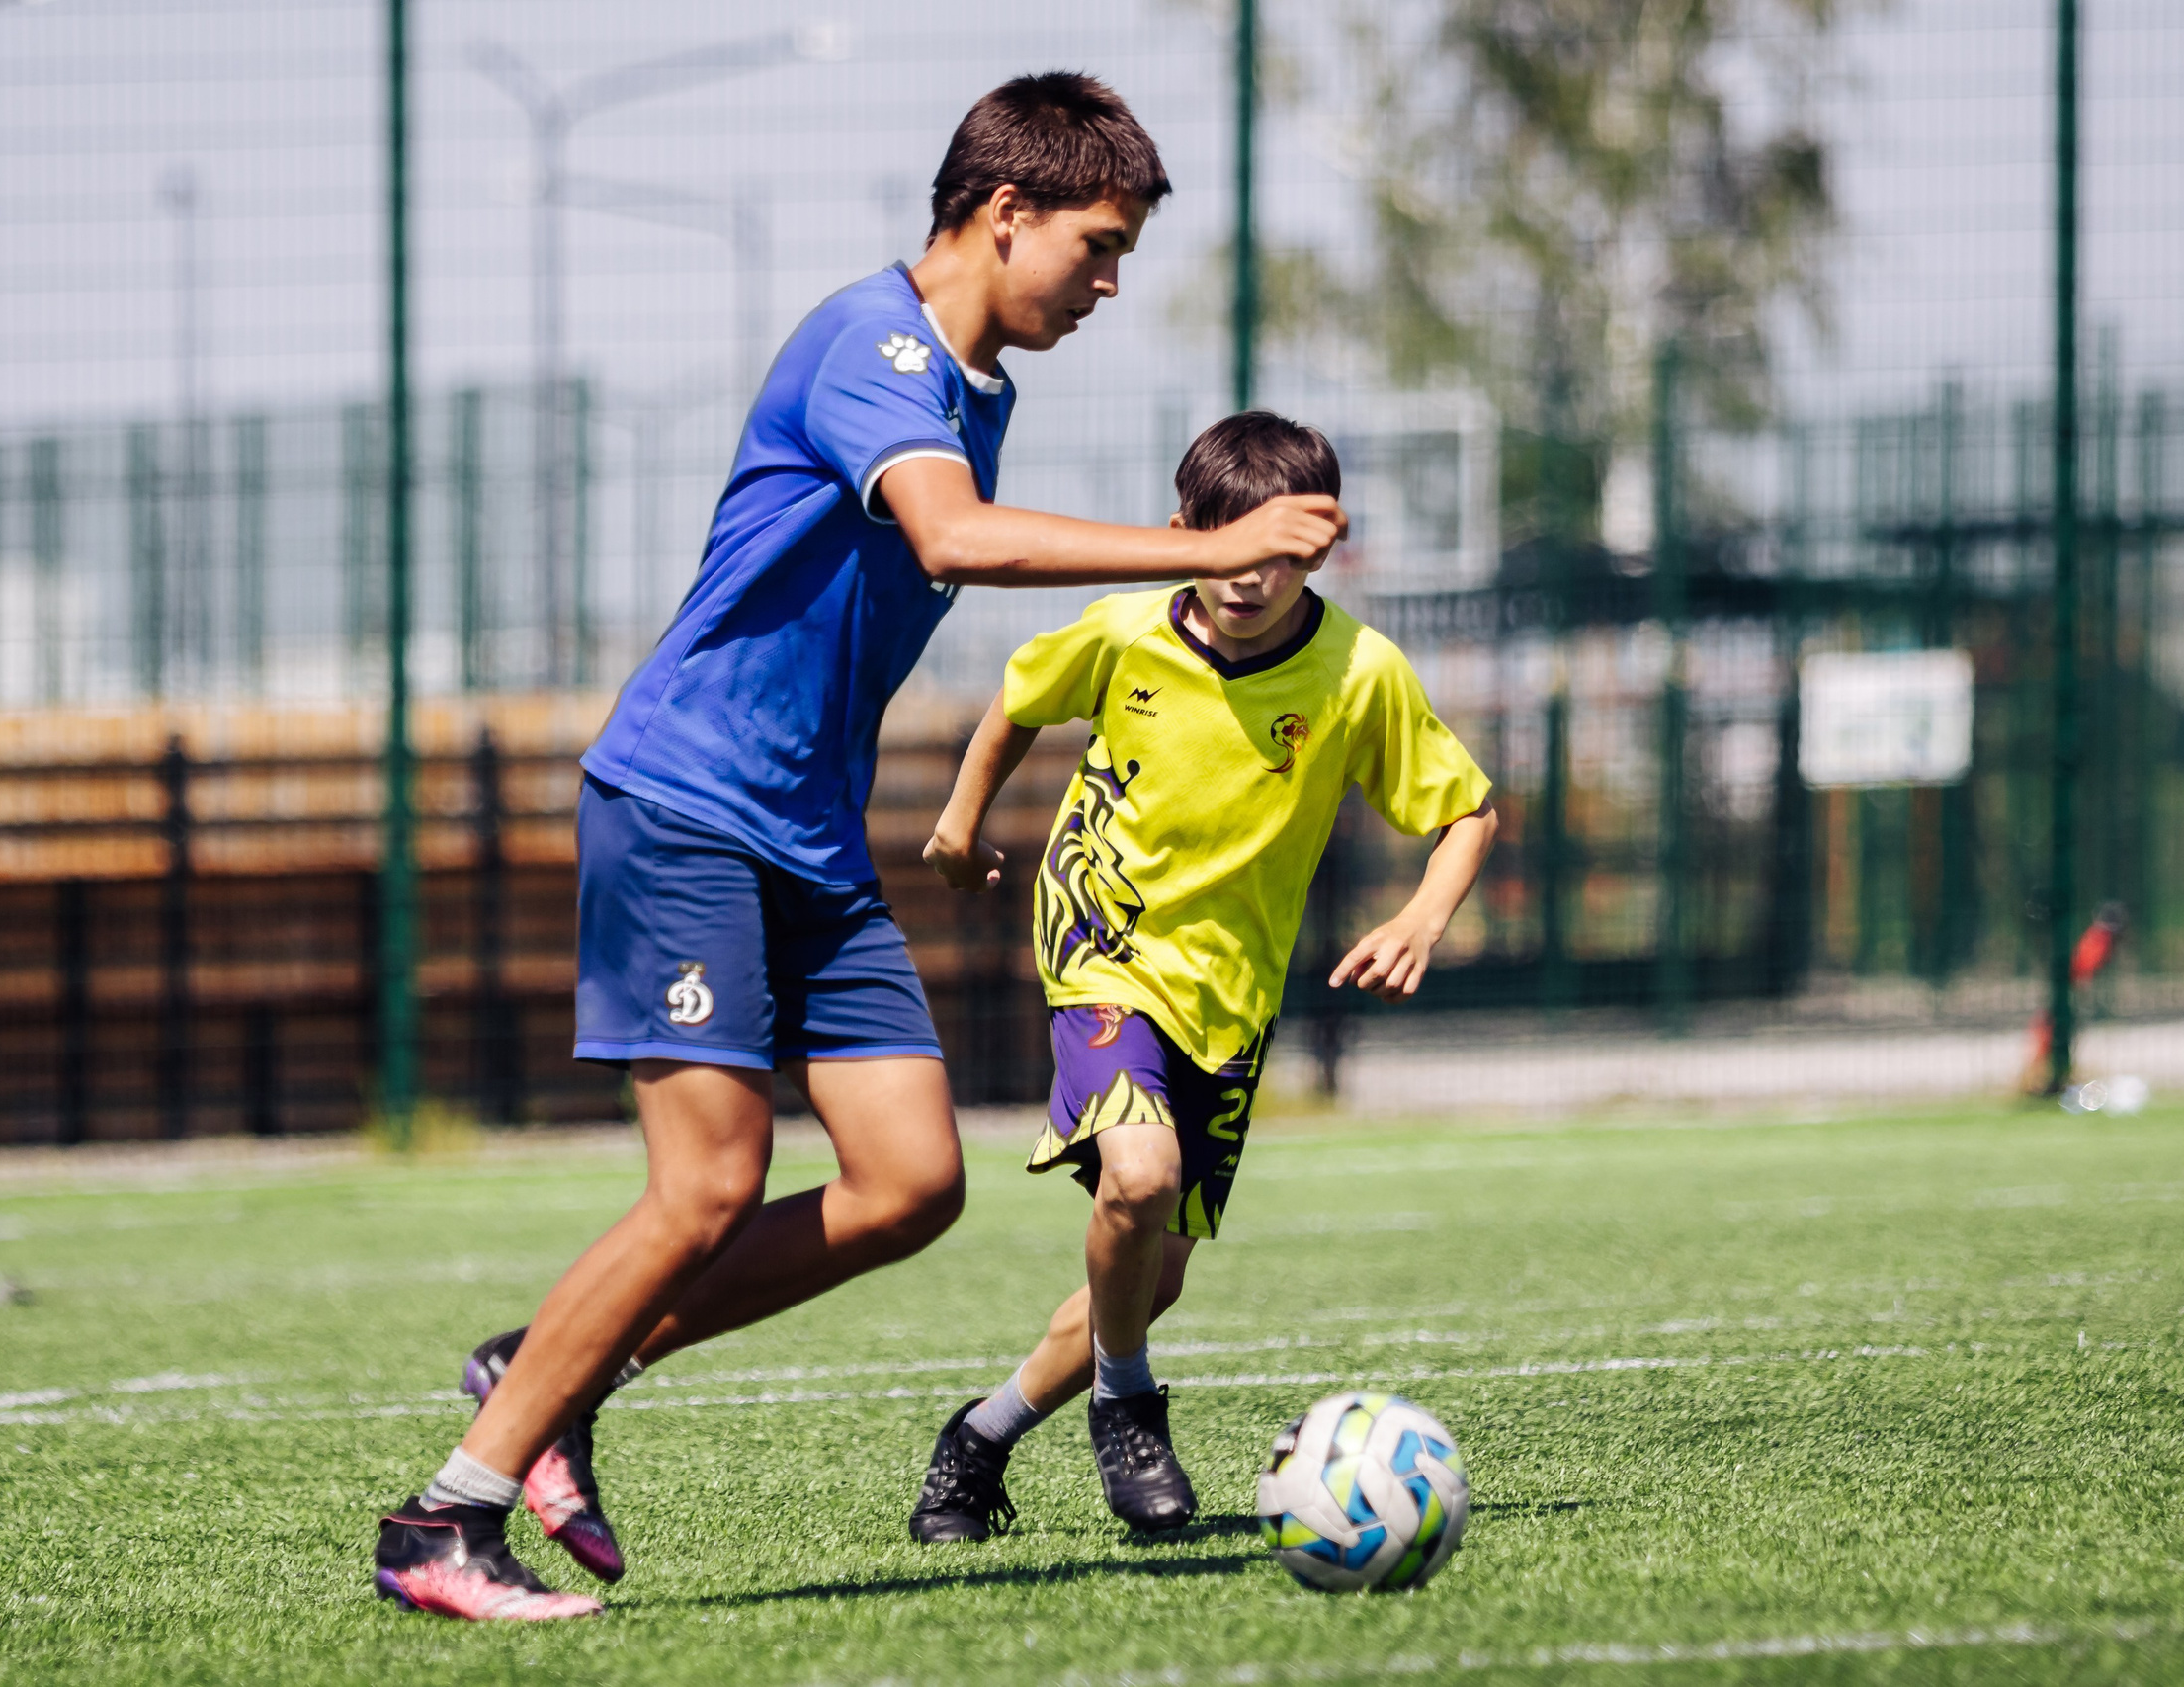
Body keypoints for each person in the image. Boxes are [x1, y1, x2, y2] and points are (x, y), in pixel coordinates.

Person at [374, 74, 1351, 1620]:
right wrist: (1212, 542)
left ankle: (553, 1358)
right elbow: (957, 538)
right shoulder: (873, 347)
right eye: (1097, 248)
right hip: (692, 799)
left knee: (908, 1180)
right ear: (1004, 210)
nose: (1109, 286)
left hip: (809, 834)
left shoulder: (978, 387)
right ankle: (446, 1515)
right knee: (707, 1185)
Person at [904, 409, 1497, 1543]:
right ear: (1183, 534)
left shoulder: (1356, 672)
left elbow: (1464, 808)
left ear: (1321, 544)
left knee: (1149, 1276)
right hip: (1100, 940)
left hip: (1230, 996)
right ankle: (1130, 1409)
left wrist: (1423, 914)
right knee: (1136, 1177)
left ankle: (979, 1438)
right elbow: (1021, 699)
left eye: (1279, 553)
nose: (1249, 577)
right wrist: (958, 824)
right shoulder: (1124, 628)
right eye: (1228, 548)